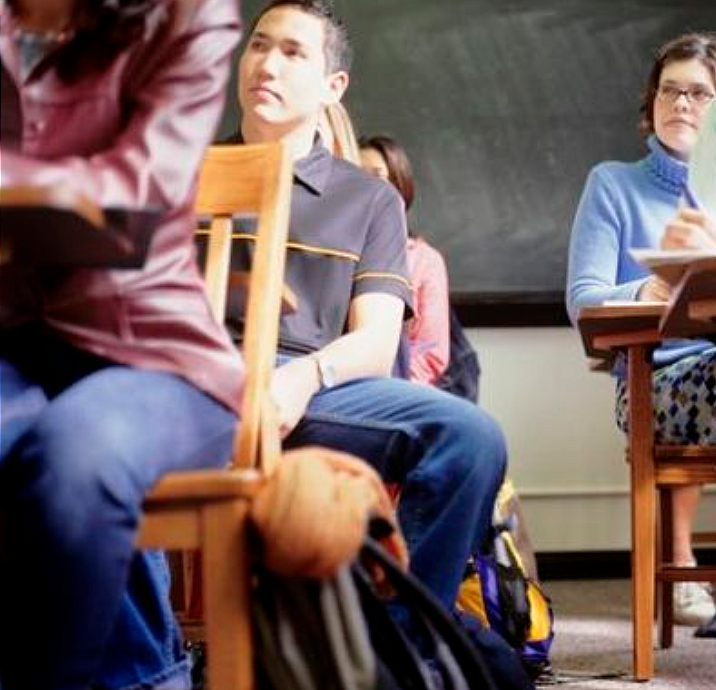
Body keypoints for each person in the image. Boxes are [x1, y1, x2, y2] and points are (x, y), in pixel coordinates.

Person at [0, 1, 244, 689]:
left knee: (77, 457)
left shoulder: (189, 14)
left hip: (155, 355)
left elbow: (126, 211)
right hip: (13, 344)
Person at [233, 0, 506, 612]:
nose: (267, 65)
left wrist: (303, 377)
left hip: (311, 388)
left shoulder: (370, 198)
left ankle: (398, 642)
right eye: (259, 44)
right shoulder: (182, 173)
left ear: (333, 86)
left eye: (293, 52)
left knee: (470, 437)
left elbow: (378, 343)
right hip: (198, 376)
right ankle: (152, 652)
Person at [565, 32, 716, 625]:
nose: (680, 104)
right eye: (669, 91)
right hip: (658, 378)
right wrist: (652, 289)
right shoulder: (613, 183)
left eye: (698, 93)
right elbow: (583, 300)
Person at [359, 134, 452, 386]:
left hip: (391, 388)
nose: (364, 186)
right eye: (356, 175)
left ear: (400, 186)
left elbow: (431, 353)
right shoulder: (335, 250)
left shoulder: (424, 260)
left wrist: (387, 384)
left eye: (376, 176)